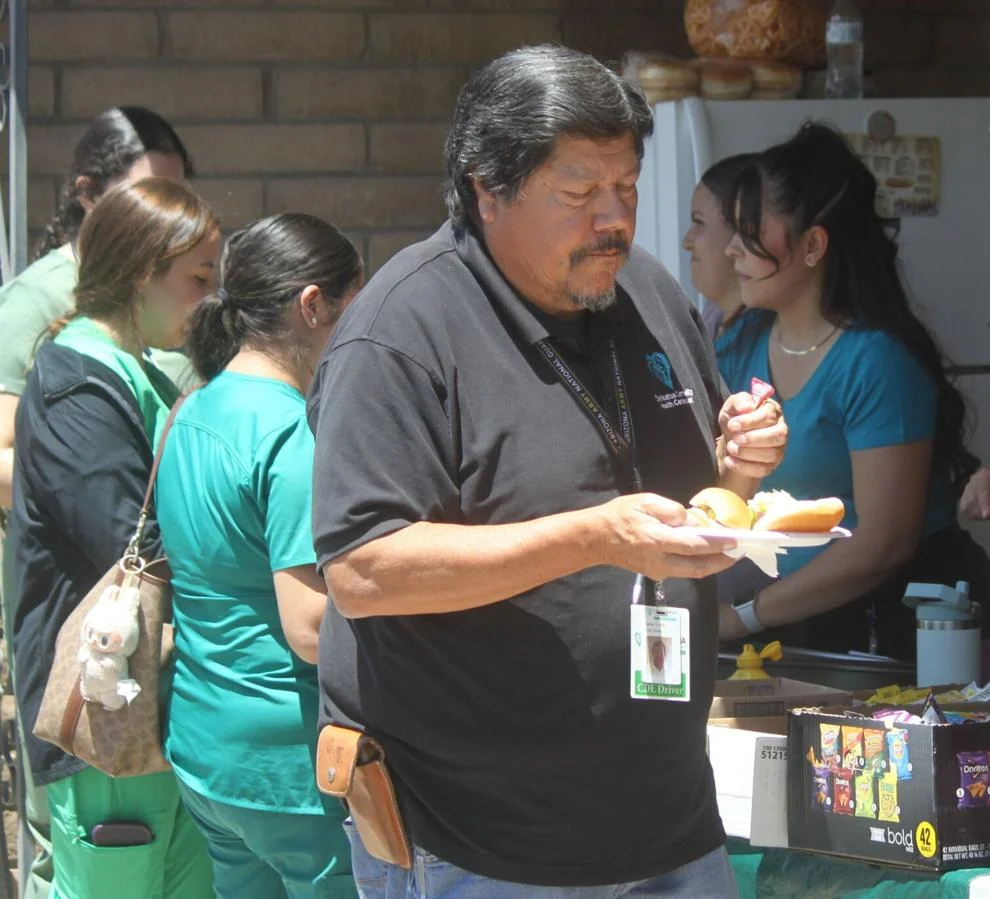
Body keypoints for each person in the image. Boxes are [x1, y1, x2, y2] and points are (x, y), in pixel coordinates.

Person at [308, 45, 787, 897]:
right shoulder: (403, 329)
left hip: (668, 823)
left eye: (629, 187)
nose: (615, 219)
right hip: (481, 843)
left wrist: (742, 466)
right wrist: (594, 538)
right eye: (578, 194)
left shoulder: (647, 291)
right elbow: (362, 572)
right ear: (486, 190)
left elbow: (699, 501)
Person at [0, 107, 197, 899]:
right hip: (93, 659)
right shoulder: (61, 340)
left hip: (146, 675)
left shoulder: (143, 355)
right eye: (199, 278)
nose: (208, 299)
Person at [717, 122, 990, 660]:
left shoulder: (876, 362)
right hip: (792, 626)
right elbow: (729, 502)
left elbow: (885, 543)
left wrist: (743, 616)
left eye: (749, 230)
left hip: (900, 633)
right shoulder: (741, 343)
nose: (730, 249)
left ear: (813, 244)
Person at [155, 214, 363, 899]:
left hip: (205, 750)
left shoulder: (189, 411)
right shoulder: (291, 435)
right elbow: (308, 629)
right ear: (312, 306)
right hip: (292, 767)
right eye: (353, 313)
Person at [682, 153, 757, 345]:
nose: (686, 243)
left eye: (699, 222)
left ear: (742, 227)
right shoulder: (712, 317)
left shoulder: (761, 341)